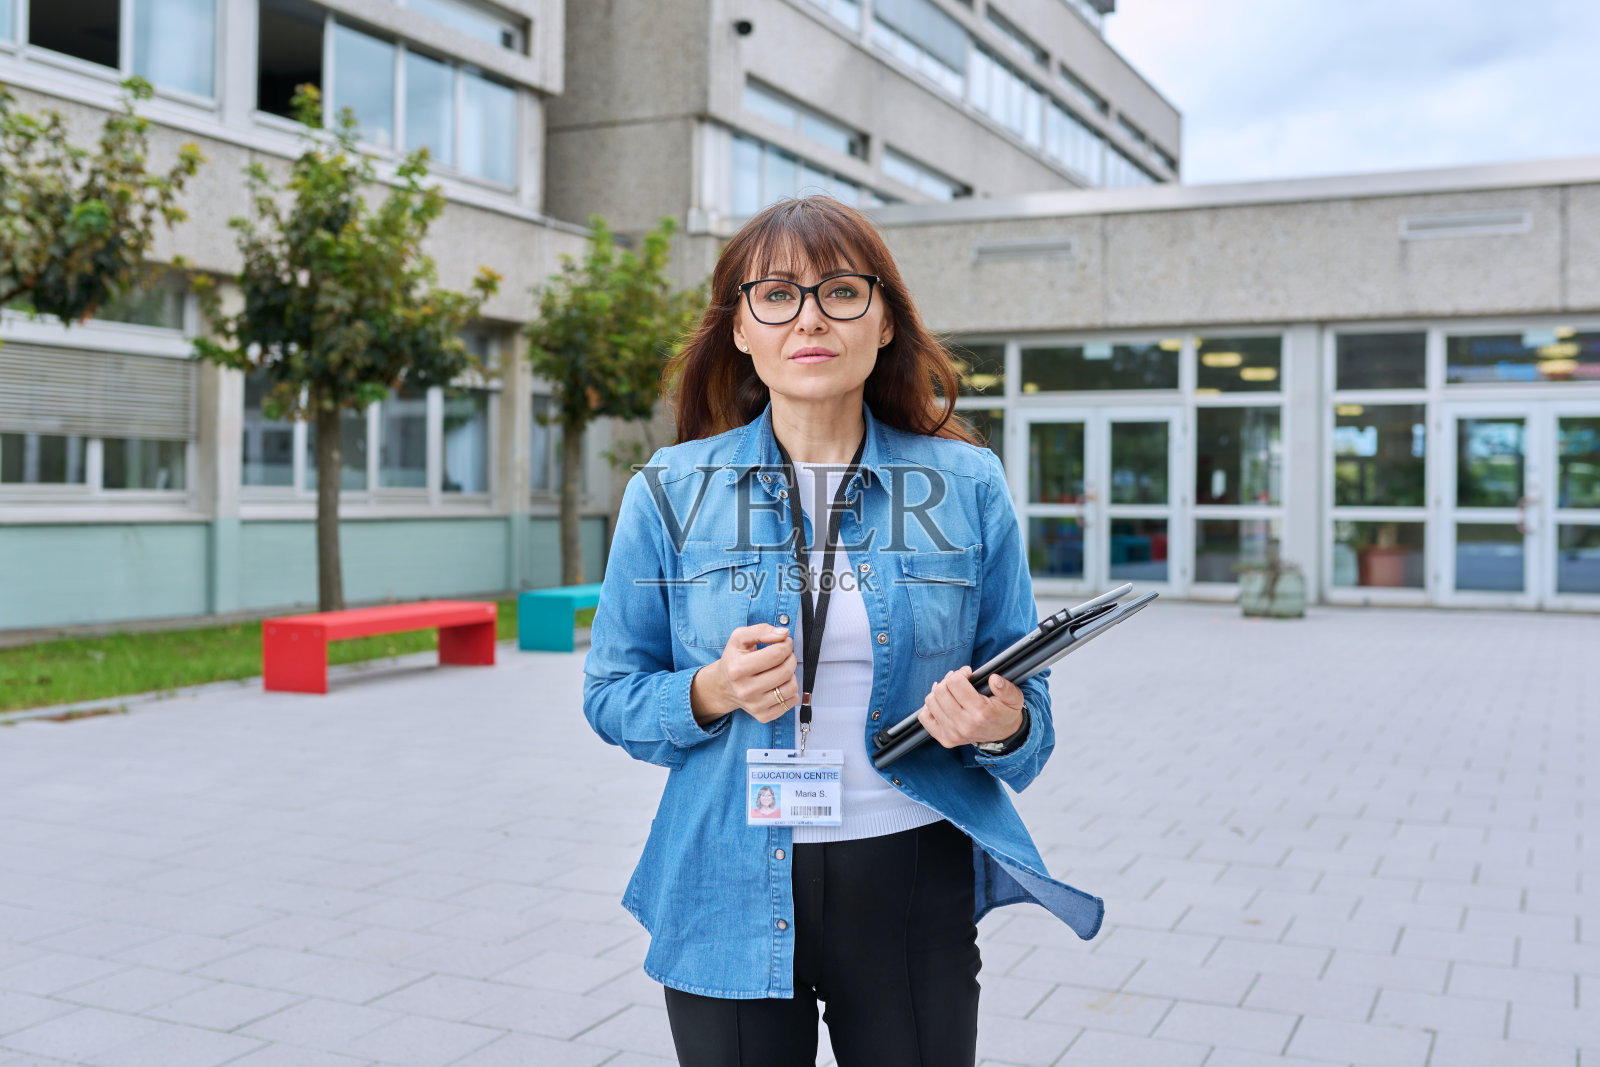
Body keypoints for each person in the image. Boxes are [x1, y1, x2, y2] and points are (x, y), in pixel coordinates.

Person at [582, 196, 1102, 1067]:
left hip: (908, 878)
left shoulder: (967, 484)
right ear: (741, 328)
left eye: (841, 292)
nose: (811, 318)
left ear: (885, 319)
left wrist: (1000, 721)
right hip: (724, 878)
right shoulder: (670, 489)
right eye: (777, 294)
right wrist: (711, 690)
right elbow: (609, 694)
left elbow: (1029, 718)